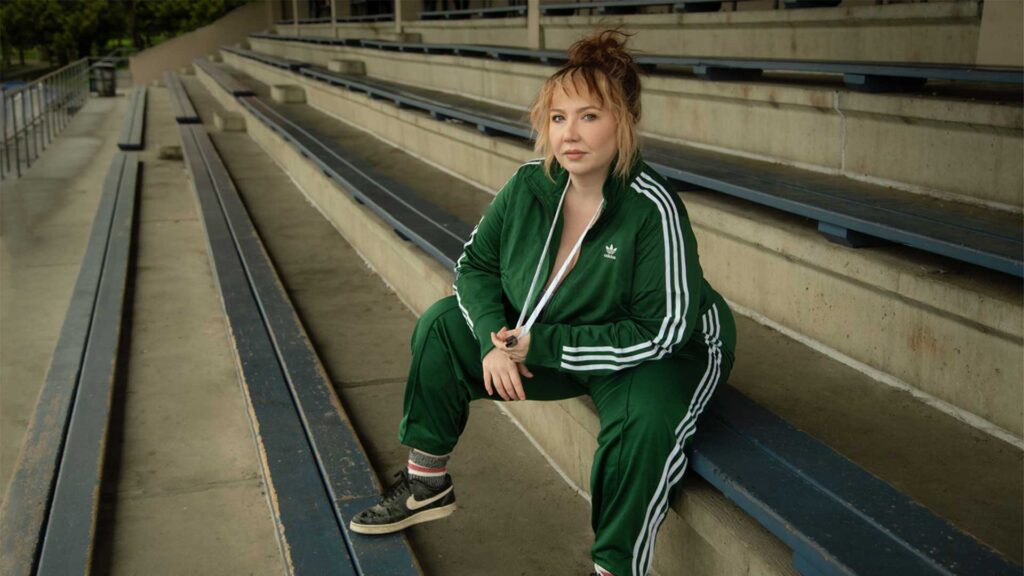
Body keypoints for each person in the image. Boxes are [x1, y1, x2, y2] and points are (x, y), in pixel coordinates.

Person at [350, 29, 737, 576]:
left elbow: (665, 329)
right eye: (558, 118)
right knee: (442, 325)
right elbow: (475, 267)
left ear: (625, 122)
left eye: (589, 117)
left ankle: (614, 567)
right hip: (555, 336)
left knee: (643, 420)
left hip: (657, 349)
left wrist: (540, 343)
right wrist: (494, 339)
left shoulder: (652, 206)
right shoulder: (529, 185)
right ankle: (425, 484)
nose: (569, 134)